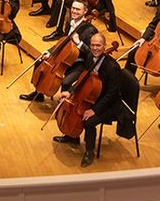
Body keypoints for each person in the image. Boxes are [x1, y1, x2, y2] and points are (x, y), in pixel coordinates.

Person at [53, 32, 127, 167]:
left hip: (109, 104)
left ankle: (89, 151)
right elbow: (83, 79)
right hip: (92, 96)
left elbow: (111, 94)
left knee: (88, 121)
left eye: (98, 45)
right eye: (92, 45)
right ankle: (72, 136)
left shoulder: (112, 67)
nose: (95, 48)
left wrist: (94, 110)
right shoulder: (89, 58)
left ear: (104, 47)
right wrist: (70, 92)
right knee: (68, 104)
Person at [19, 0, 98, 102]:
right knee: (40, 62)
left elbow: (92, 53)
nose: (74, 11)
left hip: (79, 62)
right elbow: (62, 43)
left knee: (66, 82)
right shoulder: (70, 22)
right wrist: (49, 52)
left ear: (85, 11)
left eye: (78, 9)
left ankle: (63, 103)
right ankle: (38, 94)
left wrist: (79, 42)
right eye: (73, 8)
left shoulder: (90, 30)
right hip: (65, 57)